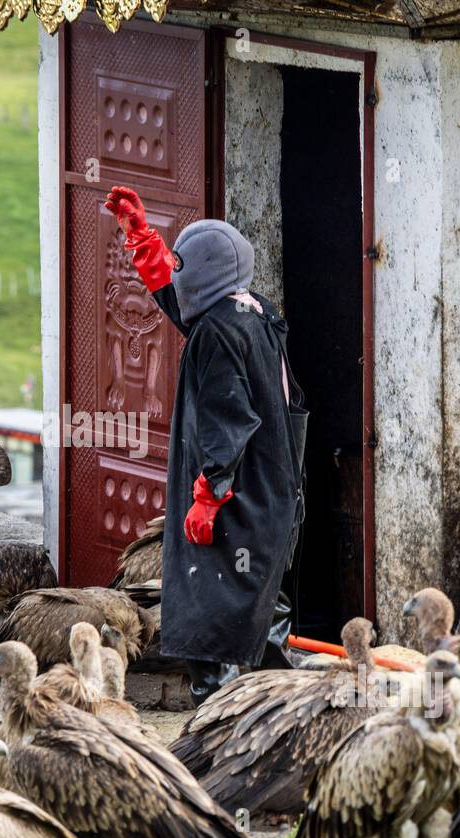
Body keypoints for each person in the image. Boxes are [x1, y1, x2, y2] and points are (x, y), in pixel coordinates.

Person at [104, 186, 308, 706]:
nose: (175, 268)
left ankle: (218, 719)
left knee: (211, 606)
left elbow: (228, 418)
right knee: (261, 597)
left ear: (206, 273)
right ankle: (275, 709)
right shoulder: (253, 312)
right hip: (272, 494)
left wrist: (208, 493)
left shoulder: (216, 334)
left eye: (179, 262)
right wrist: (142, 240)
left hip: (236, 492)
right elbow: (187, 305)